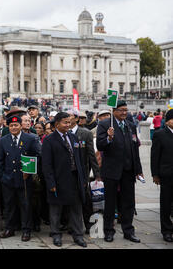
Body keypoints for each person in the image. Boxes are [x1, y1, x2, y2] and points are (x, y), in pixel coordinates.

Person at [96, 100, 144, 243]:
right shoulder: (105, 125)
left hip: (128, 171)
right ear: (114, 111)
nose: (124, 112)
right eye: (121, 110)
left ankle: (128, 231)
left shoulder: (130, 125)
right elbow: (100, 145)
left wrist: (139, 170)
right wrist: (109, 138)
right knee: (110, 203)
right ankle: (109, 231)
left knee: (128, 203)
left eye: (126, 110)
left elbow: (135, 149)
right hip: (111, 171)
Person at [42, 112, 88, 248]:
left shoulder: (74, 137)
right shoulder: (49, 140)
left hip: (74, 179)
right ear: (57, 124)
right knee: (56, 210)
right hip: (58, 180)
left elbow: (80, 159)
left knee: (76, 209)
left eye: (69, 122)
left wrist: (83, 178)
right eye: (65, 122)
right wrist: (51, 183)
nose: (68, 125)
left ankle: (78, 236)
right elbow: (47, 164)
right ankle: (56, 234)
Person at [0, 115, 41, 242]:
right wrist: (2, 176)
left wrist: (30, 171)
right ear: (8, 127)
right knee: (9, 205)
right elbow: (0, 160)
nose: (14, 127)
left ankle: (26, 230)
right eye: (11, 125)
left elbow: (38, 155)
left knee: (26, 205)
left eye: (16, 125)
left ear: (21, 126)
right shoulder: (3, 140)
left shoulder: (30, 139)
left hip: (24, 179)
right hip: (8, 179)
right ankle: (9, 228)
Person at [68, 110, 101, 234]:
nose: (68, 119)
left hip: (83, 173)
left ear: (76, 119)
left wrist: (97, 174)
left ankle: (89, 225)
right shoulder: (64, 133)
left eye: (70, 117)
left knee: (85, 199)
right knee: (71, 199)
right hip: (69, 173)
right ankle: (72, 225)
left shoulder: (85, 133)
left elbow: (91, 155)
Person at [150, 109, 173, 242]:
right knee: (165, 203)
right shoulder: (160, 134)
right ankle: (166, 230)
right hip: (166, 174)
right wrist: (155, 174)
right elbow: (155, 156)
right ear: (168, 121)